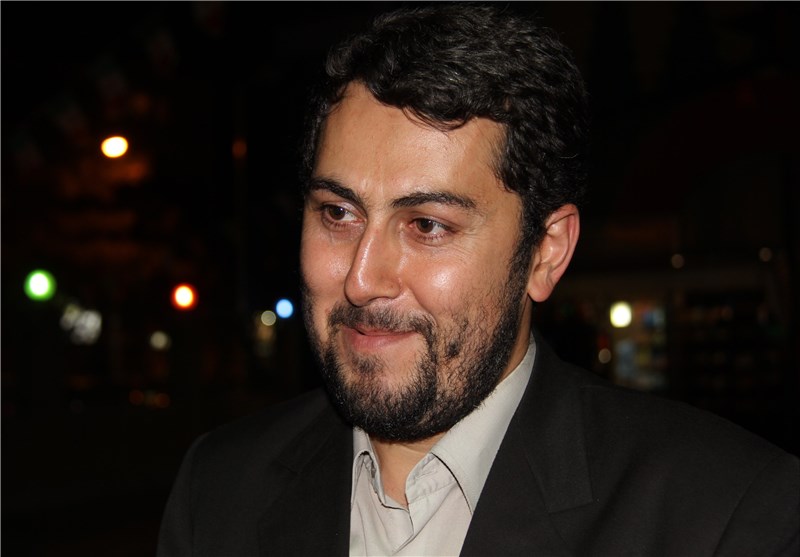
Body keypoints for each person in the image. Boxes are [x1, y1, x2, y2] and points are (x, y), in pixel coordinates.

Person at [157, 4, 799, 556]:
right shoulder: (217, 492)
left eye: (427, 225)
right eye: (338, 214)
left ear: (545, 252)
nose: (361, 279)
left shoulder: (725, 513)